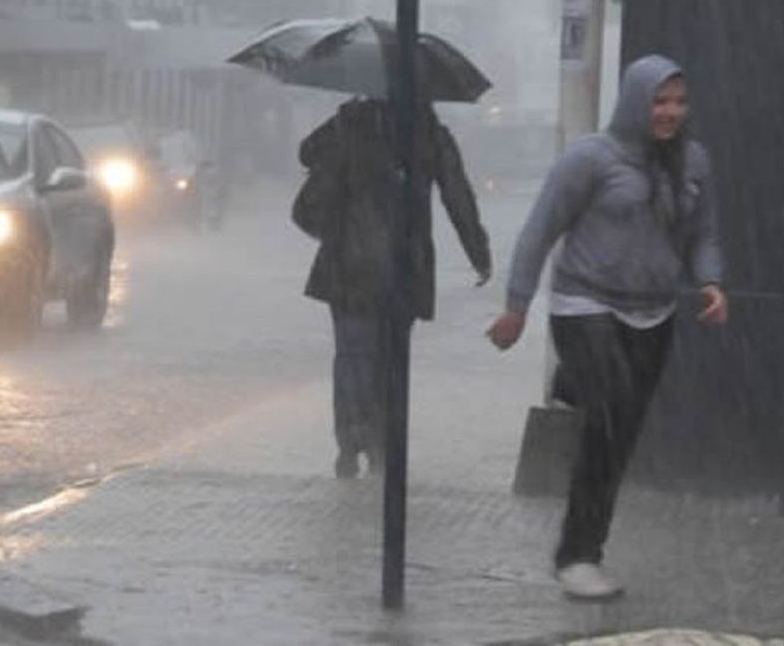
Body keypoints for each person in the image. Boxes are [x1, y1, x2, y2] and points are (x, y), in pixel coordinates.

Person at [486, 55, 728, 600]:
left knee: (620, 438)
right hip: (586, 303)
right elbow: (539, 230)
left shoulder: (692, 162)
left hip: (654, 311)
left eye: (679, 102)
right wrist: (516, 307)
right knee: (611, 418)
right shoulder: (591, 158)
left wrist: (712, 283)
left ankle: (576, 386)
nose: (670, 112)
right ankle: (577, 555)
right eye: (659, 101)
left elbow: (705, 233)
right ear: (634, 101)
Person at [296, 96, 491, 479]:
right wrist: (478, 251)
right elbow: (457, 194)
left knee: (352, 356)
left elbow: (306, 153)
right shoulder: (429, 134)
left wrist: (345, 121)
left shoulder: (350, 123)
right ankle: (382, 446)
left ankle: (351, 444)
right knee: (390, 359)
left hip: (347, 262)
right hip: (404, 266)